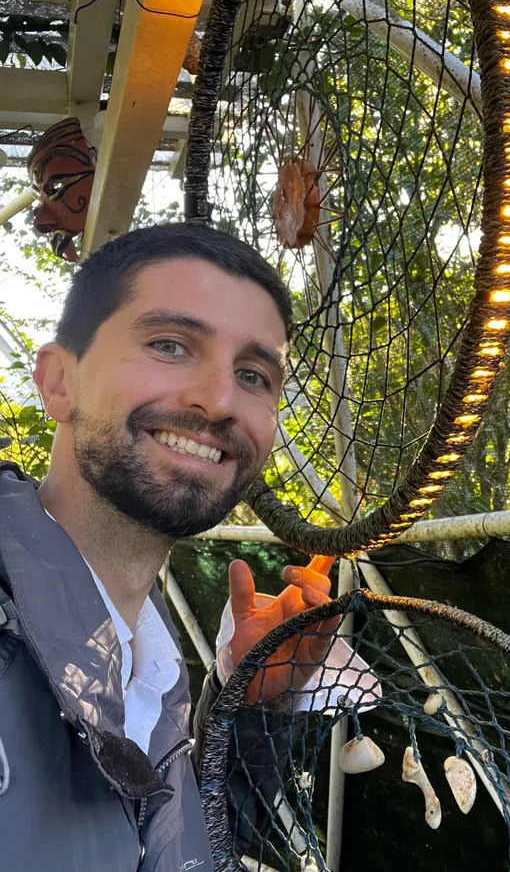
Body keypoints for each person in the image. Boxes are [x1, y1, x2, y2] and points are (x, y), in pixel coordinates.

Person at [0, 223, 342, 871]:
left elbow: (179, 848)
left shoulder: (156, 676)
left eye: (253, 375)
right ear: (59, 382)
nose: (218, 401)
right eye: (169, 345)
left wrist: (249, 706)